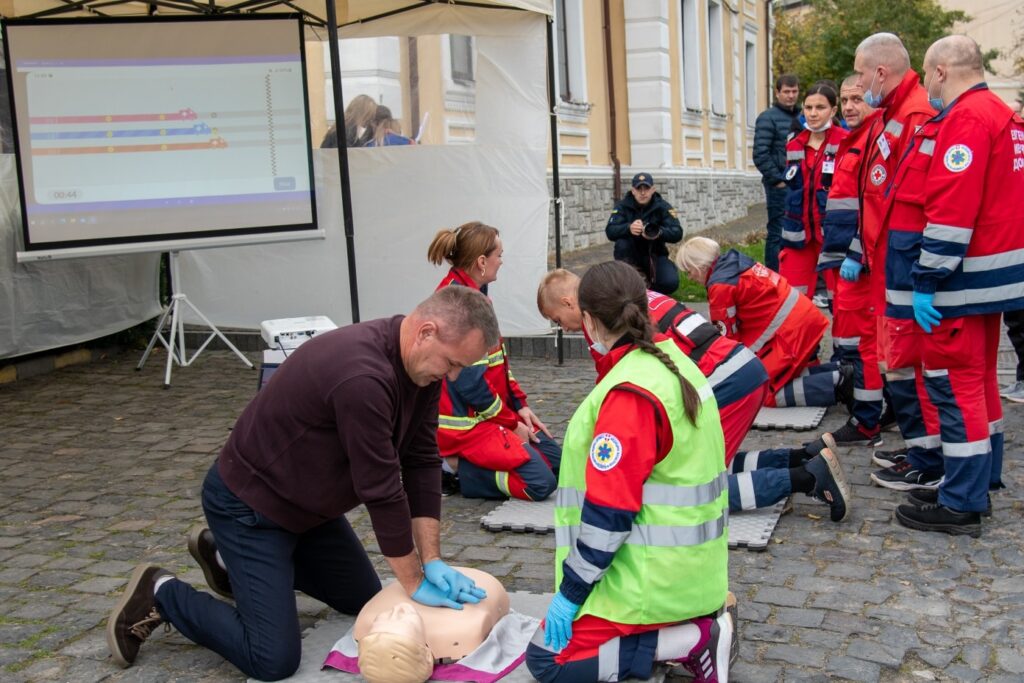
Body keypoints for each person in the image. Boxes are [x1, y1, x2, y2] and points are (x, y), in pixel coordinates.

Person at [105, 286, 499, 680]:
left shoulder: (420, 370)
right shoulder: (363, 377)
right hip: (250, 509)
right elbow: (381, 490)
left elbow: (421, 460)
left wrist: (432, 559)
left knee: (363, 597)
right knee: (272, 659)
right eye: (451, 363)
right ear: (426, 332)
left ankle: (226, 558)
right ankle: (162, 591)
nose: (452, 376)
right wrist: (413, 581)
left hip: (309, 511)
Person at [526, 261, 733, 682]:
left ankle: (690, 639)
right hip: (693, 576)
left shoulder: (629, 393)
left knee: (548, 661)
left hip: (647, 584)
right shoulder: (676, 364)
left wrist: (571, 594)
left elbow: (608, 515)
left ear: (588, 320)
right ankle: (688, 629)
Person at [537, 268, 852, 522]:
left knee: (697, 490)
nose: (562, 327)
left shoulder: (603, 325)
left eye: (556, 320)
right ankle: (804, 457)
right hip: (736, 370)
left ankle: (807, 478)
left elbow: (618, 391)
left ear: (568, 302)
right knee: (702, 463)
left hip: (724, 380)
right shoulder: (626, 294)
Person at [885, 35, 1024, 536]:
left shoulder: (965, 120)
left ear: (942, 71)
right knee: (981, 380)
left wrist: (927, 279)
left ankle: (961, 501)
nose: (925, 86)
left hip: (958, 284)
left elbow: (950, 210)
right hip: (990, 281)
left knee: (954, 384)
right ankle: (979, 481)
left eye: (926, 75)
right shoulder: (1002, 114)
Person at [427, 222, 562, 501]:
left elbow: (498, 362)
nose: (501, 261)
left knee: (559, 464)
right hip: (467, 427)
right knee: (540, 484)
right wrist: (511, 424)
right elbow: (471, 384)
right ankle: (452, 468)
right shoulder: (461, 304)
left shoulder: (474, 294)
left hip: (491, 416)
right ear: (481, 261)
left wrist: (520, 406)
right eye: (499, 255)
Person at [676, 236, 852, 410]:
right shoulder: (736, 262)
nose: (690, 277)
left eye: (688, 271)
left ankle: (839, 385)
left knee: (763, 392)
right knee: (781, 376)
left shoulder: (721, 286)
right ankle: (841, 373)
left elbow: (727, 341)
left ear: (698, 266)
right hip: (803, 320)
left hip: (791, 333)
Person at [817, 74, 891, 448]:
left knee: (865, 345)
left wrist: (857, 251)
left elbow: (876, 206)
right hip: (846, 260)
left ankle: (866, 421)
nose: (848, 107)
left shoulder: (877, 141)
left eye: (857, 99)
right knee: (852, 342)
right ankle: (876, 409)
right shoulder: (852, 141)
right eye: (845, 100)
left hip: (861, 264)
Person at [779, 82, 849, 300]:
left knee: (840, 298)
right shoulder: (794, 144)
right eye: (808, 108)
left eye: (820, 107)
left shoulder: (846, 141)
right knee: (791, 300)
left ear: (833, 110)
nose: (813, 113)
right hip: (798, 233)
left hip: (833, 233)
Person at [605, 172, 684, 295]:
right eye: (639, 189)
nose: (643, 193)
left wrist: (659, 232)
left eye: (646, 188)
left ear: (653, 190)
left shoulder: (662, 207)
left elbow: (677, 232)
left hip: (655, 254)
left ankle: (649, 290)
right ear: (633, 191)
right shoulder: (622, 206)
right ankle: (632, 282)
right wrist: (628, 228)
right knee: (622, 243)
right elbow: (610, 231)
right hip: (629, 256)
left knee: (670, 283)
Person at [754, 73, 801, 272]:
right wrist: (778, 180)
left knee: (795, 231)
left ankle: (791, 274)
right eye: (786, 92)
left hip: (799, 184)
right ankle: (772, 277)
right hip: (779, 186)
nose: (791, 96)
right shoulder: (767, 118)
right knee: (777, 232)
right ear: (777, 92)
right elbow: (760, 154)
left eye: (794, 91)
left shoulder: (801, 117)